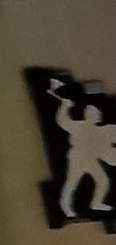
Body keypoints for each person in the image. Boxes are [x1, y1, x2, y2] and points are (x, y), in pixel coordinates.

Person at [49, 77, 115, 217]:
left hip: (91, 160)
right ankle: (66, 206)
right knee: (72, 183)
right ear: (87, 115)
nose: (96, 116)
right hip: (78, 159)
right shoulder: (78, 126)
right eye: (93, 113)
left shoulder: (103, 130)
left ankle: (96, 202)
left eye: (97, 114)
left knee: (102, 180)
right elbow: (63, 121)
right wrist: (65, 105)